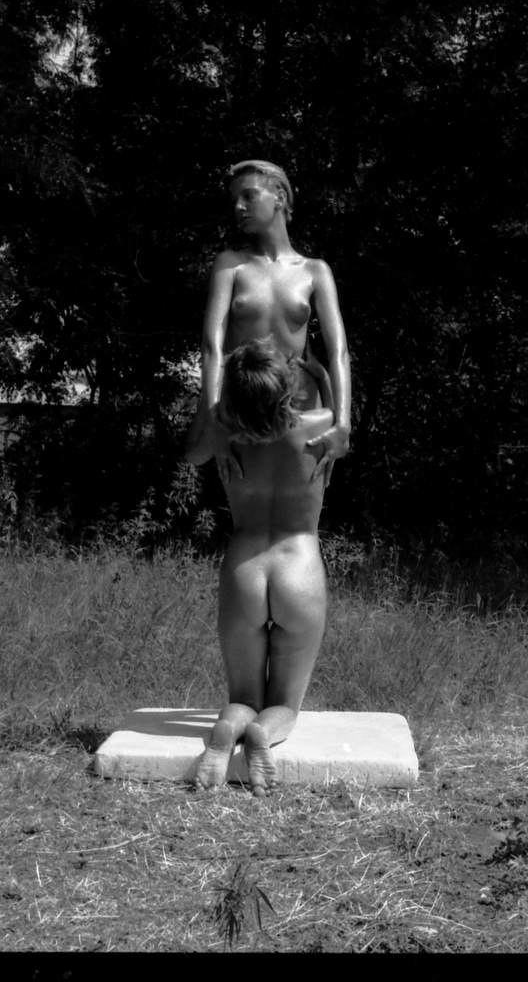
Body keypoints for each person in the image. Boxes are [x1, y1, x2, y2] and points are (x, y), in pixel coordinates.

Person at [184, 335, 334, 796]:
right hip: (299, 566)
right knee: (284, 705)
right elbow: (336, 411)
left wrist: (215, 401)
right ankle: (263, 734)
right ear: (288, 387)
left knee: (243, 697)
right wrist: (321, 374)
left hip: (244, 567)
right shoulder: (320, 427)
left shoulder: (223, 434)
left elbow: (191, 452)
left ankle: (229, 727)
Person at [192, 159, 351, 487]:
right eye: (235, 199)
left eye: (249, 195)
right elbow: (211, 347)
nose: (238, 207)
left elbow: (339, 352)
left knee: (298, 505)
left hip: (298, 402)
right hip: (242, 401)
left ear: (279, 197)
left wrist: (344, 424)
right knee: (197, 455)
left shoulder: (315, 271)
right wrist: (211, 416)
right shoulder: (230, 265)